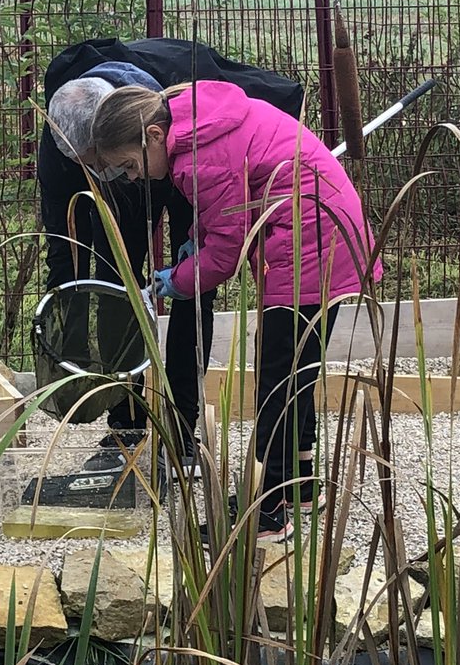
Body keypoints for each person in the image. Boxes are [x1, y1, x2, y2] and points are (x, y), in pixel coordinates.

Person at [90, 80, 382, 543]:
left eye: (130, 165)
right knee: (297, 368)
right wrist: (198, 240)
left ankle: (266, 513)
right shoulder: (197, 121)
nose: (133, 178)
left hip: (309, 246)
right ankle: (299, 487)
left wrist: (180, 280)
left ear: (152, 135)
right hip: (323, 233)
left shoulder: (197, 159)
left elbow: (225, 253)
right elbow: (231, 202)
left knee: (278, 376)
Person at [38, 38, 304, 473]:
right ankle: (125, 422)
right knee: (113, 286)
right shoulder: (60, 138)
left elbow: (251, 137)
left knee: (191, 290)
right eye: (91, 165)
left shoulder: (181, 95)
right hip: (125, 188)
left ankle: (181, 430)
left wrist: (194, 256)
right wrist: (65, 304)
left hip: (189, 169)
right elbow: (62, 234)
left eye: (103, 163)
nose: (102, 171)